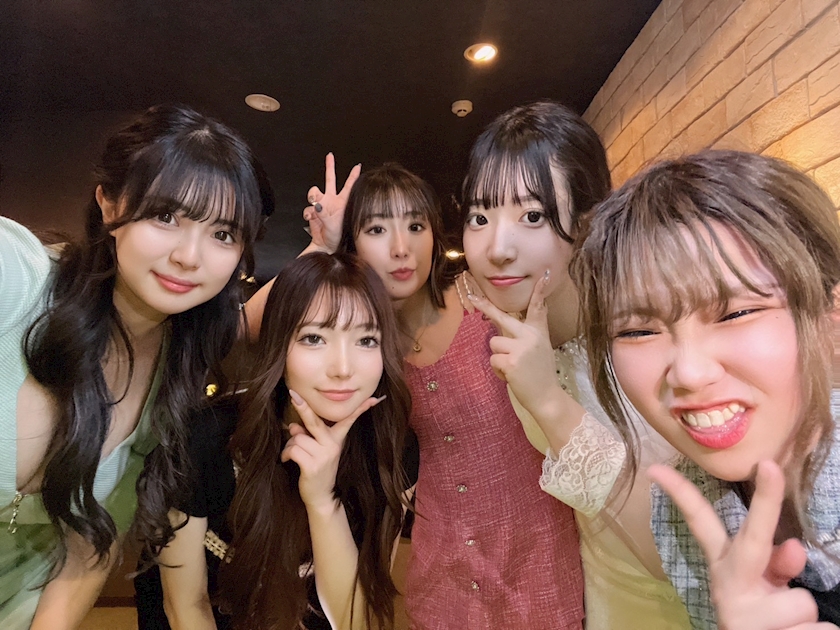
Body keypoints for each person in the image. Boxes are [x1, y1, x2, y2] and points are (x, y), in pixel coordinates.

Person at [0, 104, 266, 629]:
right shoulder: (17, 279)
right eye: (166, 216)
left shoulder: (174, 384)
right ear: (109, 204)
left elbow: (87, 552)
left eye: (223, 233)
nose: (190, 256)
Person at [307, 160, 583, 629]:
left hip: (538, 551)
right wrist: (321, 249)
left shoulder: (485, 294)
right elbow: (250, 328)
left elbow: (580, 317)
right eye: (377, 229)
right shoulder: (366, 344)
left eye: (416, 226)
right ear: (353, 244)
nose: (401, 248)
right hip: (444, 563)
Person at [572, 150, 840, 628]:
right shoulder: (681, 514)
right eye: (638, 330)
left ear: (829, 315)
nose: (689, 373)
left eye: (736, 313)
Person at [461, 100, 691, 629]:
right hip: (606, 605)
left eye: (532, 216)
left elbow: (680, 557)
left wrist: (548, 400)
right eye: (479, 217)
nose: (497, 248)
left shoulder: (646, 332)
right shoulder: (520, 346)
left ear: (587, 224)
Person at [137, 252, 414, 630]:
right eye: (314, 338)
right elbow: (186, 606)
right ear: (278, 346)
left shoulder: (394, 449)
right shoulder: (204, 439)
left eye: (366, 340)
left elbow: (355, 621)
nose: (343, 368)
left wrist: (322, 501)